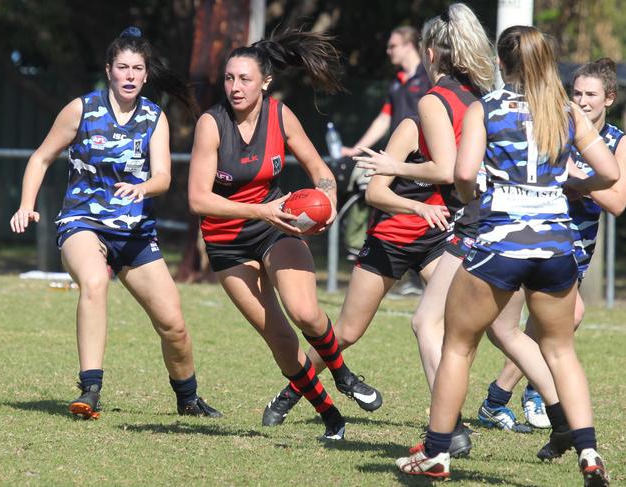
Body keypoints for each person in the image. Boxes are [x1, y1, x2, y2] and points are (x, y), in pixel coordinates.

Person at [262, 3, 495, 454]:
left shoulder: (463, 107)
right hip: (392, 237)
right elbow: (375, 195)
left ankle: (450, 424)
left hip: (436, 238)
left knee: (443, 324)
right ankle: (295, 389)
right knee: (346, 332)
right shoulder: (412, 124)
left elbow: (456, 170)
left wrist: (436, 207)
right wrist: (414, 203)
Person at [395, 26, 618, 486]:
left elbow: (461, 172)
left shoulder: (487, 108)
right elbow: (610, 173)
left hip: (501, 243)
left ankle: (437, 453)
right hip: (557, 247)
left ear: (500, 64)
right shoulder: (567, 110)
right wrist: (569, 185)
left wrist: (472, 195)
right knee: (560, 351)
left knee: (458, 344)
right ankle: (590, 453)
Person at [9, 27, 221, 420]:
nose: (129, 75)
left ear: (145, 74)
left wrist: (142, 188)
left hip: (135, 232)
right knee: (94, 281)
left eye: (136, 68)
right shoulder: (81, 110)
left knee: (173, 324)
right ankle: (90, 389)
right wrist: (26, 204)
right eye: (121, 67)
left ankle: (188, 399)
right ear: (109, 70)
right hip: (82, 223)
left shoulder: (154, 118)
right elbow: (40, 158)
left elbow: (163, 177)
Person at [187, 28, 381, 440]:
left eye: (244, 79)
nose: (235, 87)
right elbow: (199, 200)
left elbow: (321, 173)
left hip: (276, 226)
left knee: (306, 312)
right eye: (229, 78)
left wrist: (326, 204)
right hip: (227, 241)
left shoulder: (280, 115)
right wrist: (261, 210)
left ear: (265, 82)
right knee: (279, 338)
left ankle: (343, 376)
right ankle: (332, 417)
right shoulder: (211, 123)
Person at [476, 57, 626, 449]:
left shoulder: (617, 142)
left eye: (590, 94)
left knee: (551, 323)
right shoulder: (554, 124)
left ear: (609, 98)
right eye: (576, 92)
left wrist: (580, 181)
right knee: (519, 323)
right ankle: (523, 395)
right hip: (531, 235)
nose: (581, 100)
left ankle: (507, 397)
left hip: (575, 246)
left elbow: (617, 200)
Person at [340, 25, 430, 281]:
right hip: (396, 160)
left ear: (409, 45)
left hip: (422, 164)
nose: (388, 50)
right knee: (377, 199)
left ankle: (417, 278)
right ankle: (368, 257)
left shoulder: (428, 78)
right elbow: (383, 119)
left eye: (393, 45)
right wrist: (356, 149)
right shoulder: (397, 82)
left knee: (424, 214)